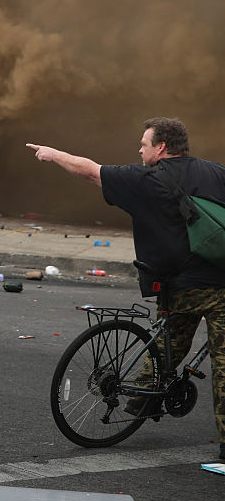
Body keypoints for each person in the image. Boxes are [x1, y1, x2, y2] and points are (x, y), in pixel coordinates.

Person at [27, 117, 225, 459]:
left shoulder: (145, 179)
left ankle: (143, 396)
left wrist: (53, 153)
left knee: (170, 342)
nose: (139, 149)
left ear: (161, 147)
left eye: (144, 144)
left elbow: (91, 171)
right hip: (218, 285)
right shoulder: (216, 173)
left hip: (174, 285)